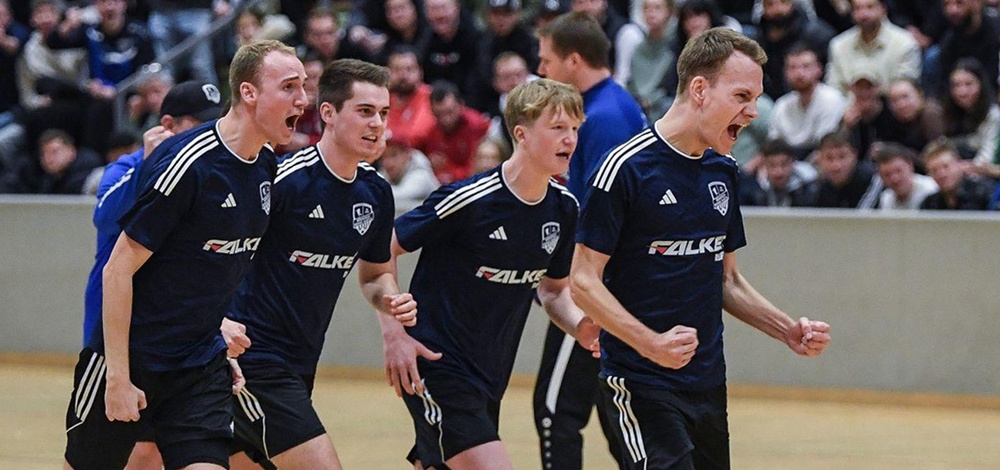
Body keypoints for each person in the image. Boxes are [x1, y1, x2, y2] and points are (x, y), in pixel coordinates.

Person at [571, 28, 831, 469]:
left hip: (707, 384)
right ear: (699, 90)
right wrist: (651, 344)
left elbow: (727, 280)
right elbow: (582, 281)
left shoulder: (722, 170)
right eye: (742, 96)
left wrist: (786, 329)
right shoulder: (624, 168)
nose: (753, 112)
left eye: (756, 99)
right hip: (640, 382)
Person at [63, 39, 307, 470]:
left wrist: (215, 326)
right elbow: (118, 268)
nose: (303, 99)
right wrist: (117, 377)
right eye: (289, 87)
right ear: (249, 93)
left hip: (198, 368)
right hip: (133, 357)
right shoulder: (189, 162)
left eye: (303, 86)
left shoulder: (265, 166)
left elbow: (212, 265)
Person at [388, 78, 599, 470]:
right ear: (521, 134)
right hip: (438, 366)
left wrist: (579, 326)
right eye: (557, 128)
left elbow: (553, 291)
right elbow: (384, 247)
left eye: (574, 128)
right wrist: (394, 334)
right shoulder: (468, 200)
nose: (570, 139)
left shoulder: (564, 208)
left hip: (490, 375)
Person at [224, 58, 416, 470]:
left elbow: (375, 274)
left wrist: (390, 299)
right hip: (252, 358)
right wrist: (214, 324)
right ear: (328, 113)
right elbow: (217, 254)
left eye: (384, 113)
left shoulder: (376, 193)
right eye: (365, 111)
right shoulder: (284, 181)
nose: (377, 124)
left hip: (302, 361)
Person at [76, 80, 226, 470]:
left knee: (158, 448)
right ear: (168, 125)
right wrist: (148, 163)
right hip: (115, 328)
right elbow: (105, 217)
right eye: (198, 124)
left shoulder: (208, 174)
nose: (208, 132)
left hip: (178, 335)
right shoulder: (126, 167)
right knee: (119, 451)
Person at [533, 11, 648, 470]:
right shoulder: (614, 106)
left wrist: (567, 280)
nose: (541, 70)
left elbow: (598, 214)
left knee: (555, 410)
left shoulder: (601, 119)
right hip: (609, 283)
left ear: (573, 61)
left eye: (546, 61)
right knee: (613, 412)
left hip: (595, 286)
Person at [824, 0, 920, 95]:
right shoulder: (838, 45)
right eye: (858, 8)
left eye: (870, 7)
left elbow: (905, 89)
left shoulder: (904, 43)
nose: (864, 14)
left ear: (883, 9)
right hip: (849, 104)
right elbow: (833, 88)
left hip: (890, 103)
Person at [768, 44, 847, 158]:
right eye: (792, 67)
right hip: (786, 163)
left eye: (806, 66)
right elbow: (774, 145)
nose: (799, 74)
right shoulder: (781, 105)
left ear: (819, 69)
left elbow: (824, 145)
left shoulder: (832, 99)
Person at [812, 130, 883, 208]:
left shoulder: (873, 180)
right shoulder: (817, 188)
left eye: (842, 157)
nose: (836, 166)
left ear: (854, 155)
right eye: (829, 158)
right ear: (820, 159)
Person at [920, 138, 996, 210]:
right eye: (934, 170)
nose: (941, 174)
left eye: (946, 166)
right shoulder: (930, 204)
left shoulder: (986, 194)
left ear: (958, 163)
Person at [738, 138, 819, 207]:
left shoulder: (810, 189)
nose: (778, 172)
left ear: (793, 163)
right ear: (764, 164)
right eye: (772, 165)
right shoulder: (752, 190)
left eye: (784, 164)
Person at [870, 141, 938, 210]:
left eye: (898, 171)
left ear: (910, 166)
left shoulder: (931, 189)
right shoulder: (886, 198)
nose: (895, 179)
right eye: (887, 174)